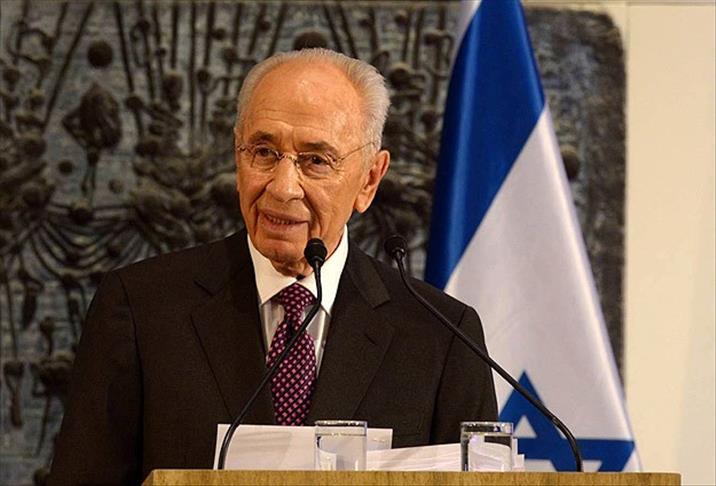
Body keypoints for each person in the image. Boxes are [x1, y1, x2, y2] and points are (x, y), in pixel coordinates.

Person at [48, 48, 497, 484]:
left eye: (316, 161)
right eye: (263, 152)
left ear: (369, 179)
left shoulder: (442, 336)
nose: (282, 188)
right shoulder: (141, 309)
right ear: (237, 155)